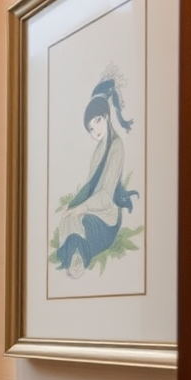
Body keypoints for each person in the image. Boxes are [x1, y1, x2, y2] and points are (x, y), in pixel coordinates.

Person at [53, 76, 139, 279]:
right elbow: (89, 187)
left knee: (77, 219)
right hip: (93, 207)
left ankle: (79, 257)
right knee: (67, 219)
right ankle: (74, 255)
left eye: (97, 122)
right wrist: (72, 206)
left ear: (106, 117)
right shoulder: (97, 151)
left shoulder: (116, 147)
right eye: (91, 128)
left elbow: (105, 195)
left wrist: (81, 208)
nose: (95, 131)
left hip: (107, 217)